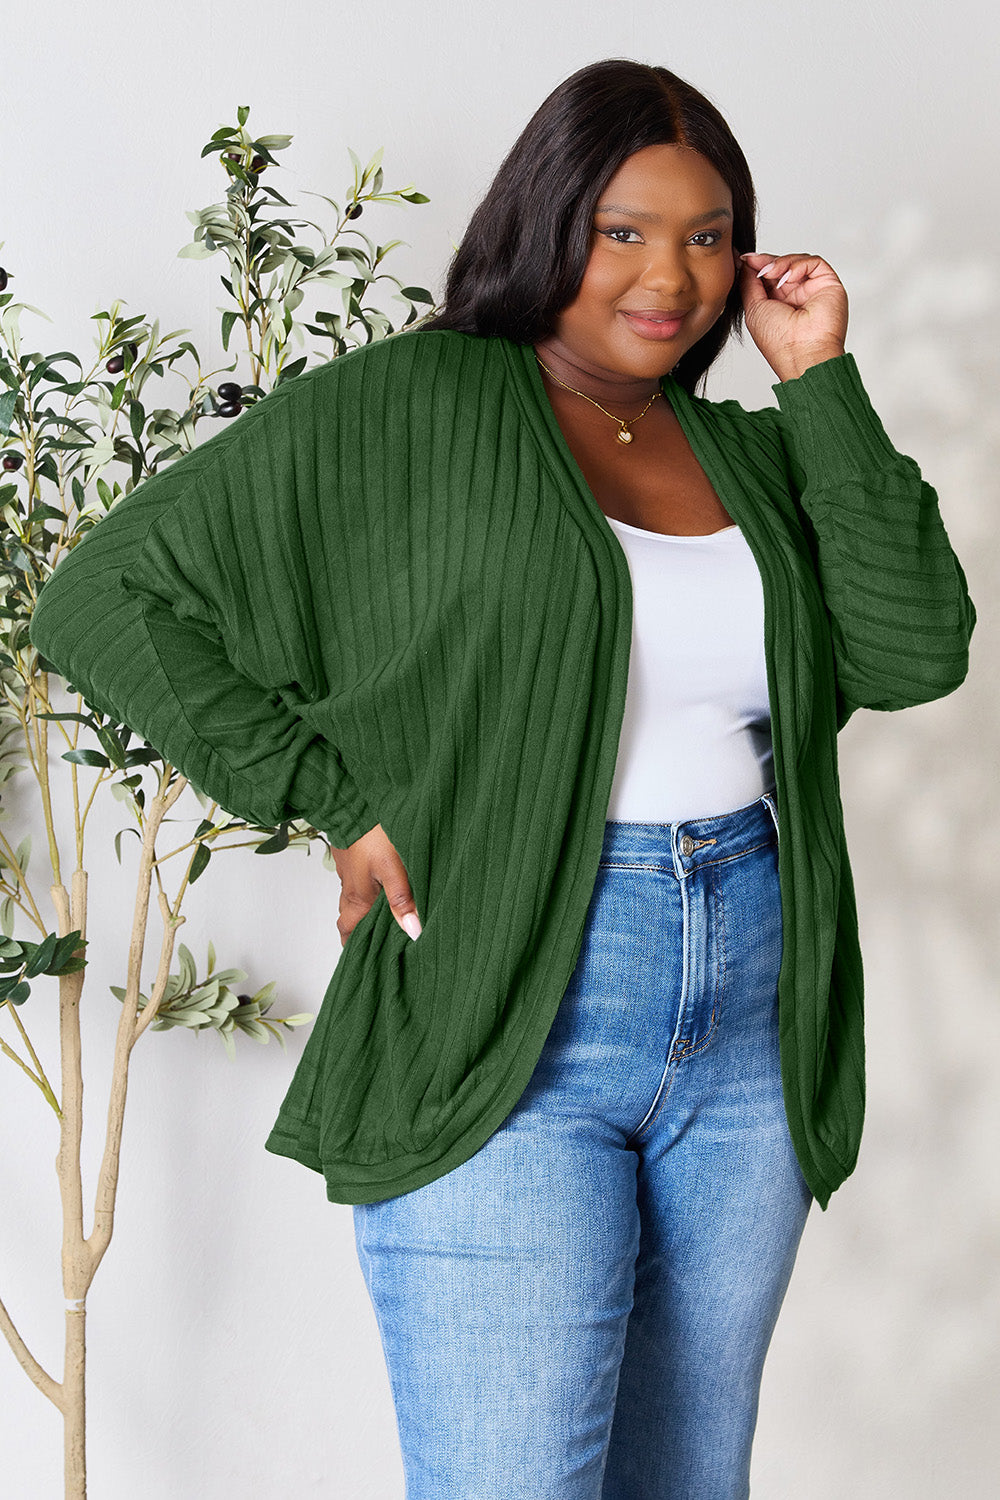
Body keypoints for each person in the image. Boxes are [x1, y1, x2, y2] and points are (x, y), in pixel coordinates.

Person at [28, 57, 976, 1500]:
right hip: (510, 995)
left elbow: (914, 651)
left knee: (691, 1481)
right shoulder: (412, 404)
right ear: (548, 223)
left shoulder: (746, 450)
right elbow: (106, 598)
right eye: (624, 231)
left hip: (747, 1009)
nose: (671, 277)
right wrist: (328, 796)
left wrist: (822, 379)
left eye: (709, 235)